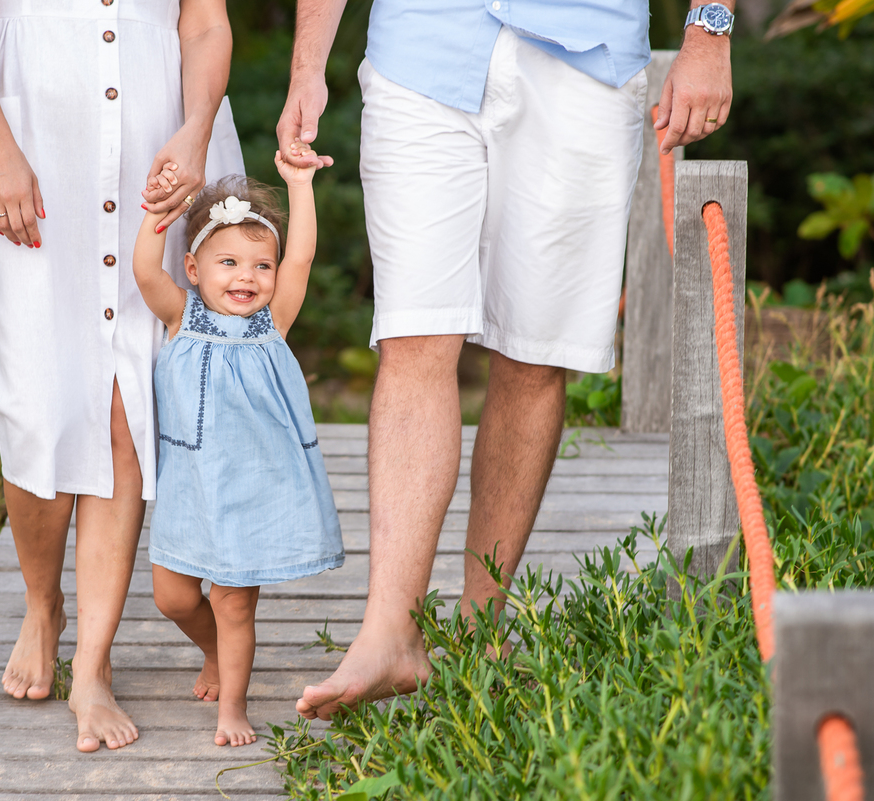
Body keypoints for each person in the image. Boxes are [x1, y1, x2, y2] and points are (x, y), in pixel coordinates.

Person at [277, 0, 736, 721]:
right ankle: (388, 630)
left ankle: (479, 631)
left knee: (532, 353)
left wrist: (709, 32)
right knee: (413, 334)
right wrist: (308, 66)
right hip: (420, 51)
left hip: (585, 59)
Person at [0, 0, 245, 751]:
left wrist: (196, 125)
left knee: (127, 397)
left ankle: (94, 667)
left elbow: (204, 22)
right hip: (30, 140)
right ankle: (43, 604)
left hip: (160, 141)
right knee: (37, 402)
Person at [131, 158, 345, 746]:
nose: (245, 276)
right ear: (195, 269)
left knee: (233, 605)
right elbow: (145, 271)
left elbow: (300, 257)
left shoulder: (271, 322)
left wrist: (299, 186)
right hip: (192, 488)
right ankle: (215, 655)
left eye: (260, 265)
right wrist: (155, 212)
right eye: (228, 263)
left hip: (254, 489)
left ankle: (234, 705)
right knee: (172, 597)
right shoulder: (181, 316)